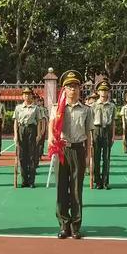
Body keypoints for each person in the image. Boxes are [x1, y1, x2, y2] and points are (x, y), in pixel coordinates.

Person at [49, 70, 93, 239]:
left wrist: (89, 156)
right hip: (62, 149)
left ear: (79, 89)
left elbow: (89, 135)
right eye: (69, 86)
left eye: (75, 86)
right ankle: (63, 225)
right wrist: (51, 141)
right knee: (61, 188)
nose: (73, 90)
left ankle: (76, 226)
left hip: (78, 150)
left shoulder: (87, 110)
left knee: (76, 190)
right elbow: (52, 128)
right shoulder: (57, 108)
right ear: (64, 89)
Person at [13, 88, 42, 187]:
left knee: (31, 156)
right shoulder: (18, 107)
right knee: (22, 156)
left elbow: (39, 122)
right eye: (25, 94)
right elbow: (16, 122)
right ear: (22, 96)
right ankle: (24, 180)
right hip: (21, 130)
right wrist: (16, 135)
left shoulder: (36, 108)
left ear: (31, 96)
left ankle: (31, 181)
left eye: (29, 94)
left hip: (32, 130)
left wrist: (38, 134)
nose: (27, 96)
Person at [91, 81, 116, 189]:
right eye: (101, 90)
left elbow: (113, 122)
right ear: (98, 91)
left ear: (108, 92)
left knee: (106, 157)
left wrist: (113, 135)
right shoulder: (93, 105)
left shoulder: (112, 106)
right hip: (96, 130)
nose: (103, 92)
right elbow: (90, 122)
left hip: (107, 131)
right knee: (96, 157)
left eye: (105, 90)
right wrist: (90, 136)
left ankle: (105, 181)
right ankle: (97, 181)